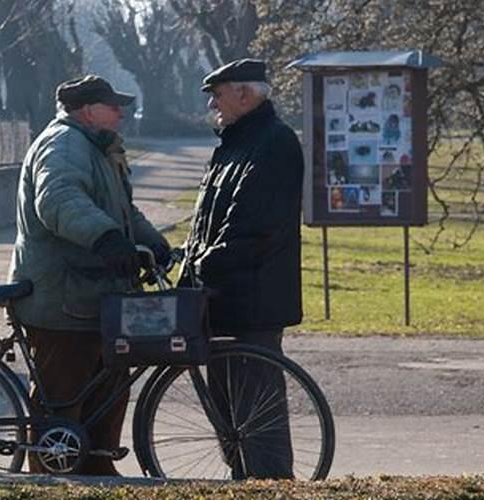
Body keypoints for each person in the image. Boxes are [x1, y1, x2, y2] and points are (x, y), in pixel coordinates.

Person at [7, 75, 170, 475]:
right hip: (62, 298)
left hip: (94, 296)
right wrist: (107, 240)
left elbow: (124, 213)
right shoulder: (63, 144)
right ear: (87, 110)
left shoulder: (96, 147)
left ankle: (98, 471)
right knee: (62, 401)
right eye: (113, 105)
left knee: (108, 390)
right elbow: (59, 201)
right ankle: (51, 479)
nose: (122, 112)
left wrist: (155, 244)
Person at [181, 58, 304, 479]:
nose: (213, 102)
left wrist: (202, 262)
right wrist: (189, 263)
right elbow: (207, 221)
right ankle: (244, 481)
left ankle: (269, 485)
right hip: (222, 298)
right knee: (230, 416)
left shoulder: (274, 143)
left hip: (254, 300)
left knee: (257, 416)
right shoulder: (233, 144)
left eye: (218, 93)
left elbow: (254, 225)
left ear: (245, 94)